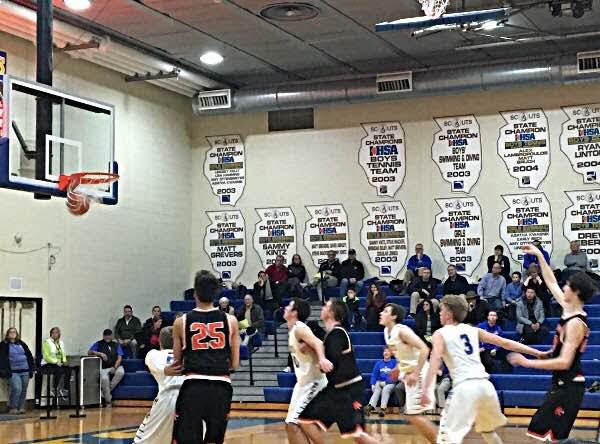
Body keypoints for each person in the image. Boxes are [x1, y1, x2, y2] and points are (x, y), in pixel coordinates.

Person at [419, 294, 545, 444]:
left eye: (441, 310)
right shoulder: (472, 330)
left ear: (449, 313)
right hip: (485, 387)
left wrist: (426, 390)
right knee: (487, 431)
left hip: (464, 388)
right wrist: (537, 353)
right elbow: (506, 343)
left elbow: (435, 358)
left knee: (445, 439)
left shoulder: (440, 333)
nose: (439, 313)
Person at [508, 243, 597, 442]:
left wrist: (527, 362)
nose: (563, 287)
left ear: (575, 292)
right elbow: (550, 281)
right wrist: (539, 254)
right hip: (560, 384)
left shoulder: (575, 323)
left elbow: (564, 362)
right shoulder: (568, 308)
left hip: (569, 386)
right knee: (540, 434)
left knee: (549, 437)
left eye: (567, 285)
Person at [171, 270, 240, 444]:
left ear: (194, 293)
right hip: (221, 387)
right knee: (214, 440)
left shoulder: (181, 322)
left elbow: (177, 363)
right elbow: (235, 363)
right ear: (216, 293)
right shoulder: (231, 320)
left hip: (193, 386)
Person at [298, 298, 379, 444]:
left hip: (349, 391)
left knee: (358, 435)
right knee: (306, 420)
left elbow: (329, 364)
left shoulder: (338, 333)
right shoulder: (331, 336)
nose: (322, 308)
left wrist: (317, 358)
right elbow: (328, 361)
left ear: (331, 313)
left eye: (326, 306)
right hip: (335, 391)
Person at [378, 303, 436, 439]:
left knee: (413, 415)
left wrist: (416, 373)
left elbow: (424, 349)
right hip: (409, 372)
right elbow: (401, 354)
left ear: (393, 316)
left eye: (385, 311)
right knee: (412, 415)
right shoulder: (387, 332)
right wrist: (397, 368)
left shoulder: (402, 331)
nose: (381, 313)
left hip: (420, 371)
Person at [283, 298, 332, 443]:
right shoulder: (293, 330)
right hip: (303, 384)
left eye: (289, 306)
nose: (285, 307)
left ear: (295, 312)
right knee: (290, 425)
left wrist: (322, 359)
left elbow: (318, 342)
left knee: (299, 422)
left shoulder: (300, 328)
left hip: (314, 382)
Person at [133, 327, 184, 443]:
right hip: (190, 399)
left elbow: (158, 365)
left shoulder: (153, 354)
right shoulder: (188, 355)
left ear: (159, 342)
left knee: (142, 440)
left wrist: (165, 370)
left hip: (166, 399)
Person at [0, 328, 34, 414]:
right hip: (13, 371)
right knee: (17, 388)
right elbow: (2, 358)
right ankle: (13, 407)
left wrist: (31, 368)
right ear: (7, 334)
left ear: (16, 334)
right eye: (10, 332)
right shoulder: (3, 344)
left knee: (23, 389)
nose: (12, 333)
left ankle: (21, 407)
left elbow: (29, 355)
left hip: (25, 369)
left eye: (14, 332)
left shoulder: (21, 343)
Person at [88, 329, 125, 406]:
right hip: (103, 367)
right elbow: (89, 352)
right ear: (103, 336)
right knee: (104, 379)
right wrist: (100, 353)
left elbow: (119, 358)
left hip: (115, 366)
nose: (107, 337)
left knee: (121, 372)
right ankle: (108, 400)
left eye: (109, 335)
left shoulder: (116, 345)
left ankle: (104, 392)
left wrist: (115, 367)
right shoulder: (98, 343)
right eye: (106, 335)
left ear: (112, 336)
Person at [40, 326, 70, 405]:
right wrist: (56, 362)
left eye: (57, 332)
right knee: (58, 370)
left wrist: (64, 361)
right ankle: (54, 388)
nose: (55, 334)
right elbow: (46, 357)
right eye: (53, 332)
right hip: (48, 363)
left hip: (59, 363)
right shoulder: (47, 342)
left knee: (68, 369)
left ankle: (65, 389)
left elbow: (63, 354)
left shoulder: (61, 343)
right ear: (51, 334)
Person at [365, 346, 397, 417]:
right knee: (376, 389)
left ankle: (383, 409)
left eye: (388, 351)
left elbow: (395, 376)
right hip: (380, 382)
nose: (386, 353)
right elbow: (374, 374)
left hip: (390, 383)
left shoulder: (394, 362)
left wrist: (386, 382)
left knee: (385, 389)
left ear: (391, 353)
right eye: (385, 351)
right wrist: (372, 384)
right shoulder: (379, 363)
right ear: (383, 353)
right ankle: (370, 407)